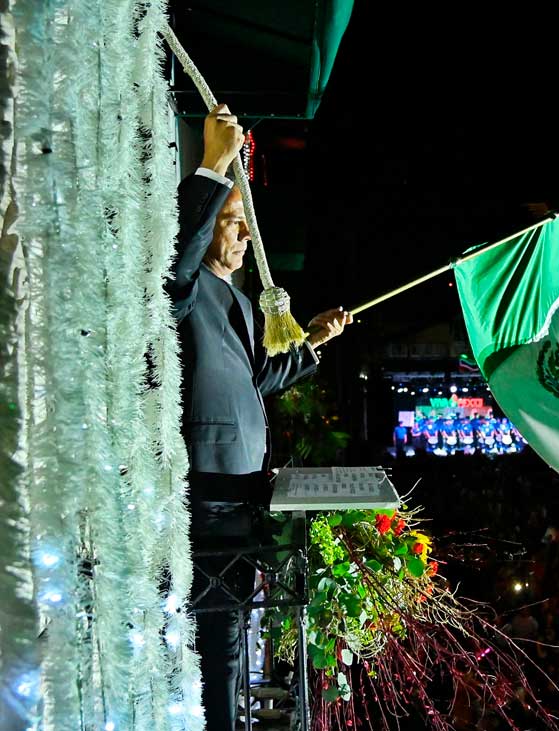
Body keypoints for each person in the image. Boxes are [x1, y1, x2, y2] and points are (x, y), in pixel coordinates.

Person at [170, 104, 351, 731]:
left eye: (245, 226)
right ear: (206, 228)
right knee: (213, 640)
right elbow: (174, 268)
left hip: (244, 495)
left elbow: (259, 379)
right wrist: (213, 170)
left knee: (229, 634)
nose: (246, 237)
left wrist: (314, 345)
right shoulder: (188, 289)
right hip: (207, 489)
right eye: (235, 223)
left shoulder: (245, 305)